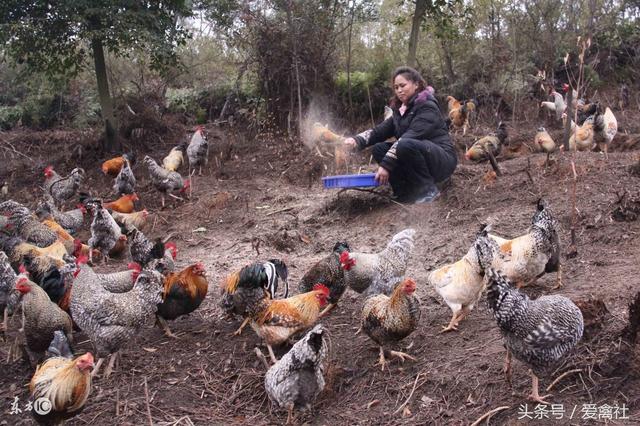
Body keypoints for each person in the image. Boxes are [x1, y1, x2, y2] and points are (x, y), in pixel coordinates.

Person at [344, 66, 457, 203]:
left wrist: (386, 165)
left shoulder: (427, 107)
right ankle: (404, 193)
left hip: (441, 161)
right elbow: (379, 131)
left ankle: (428, 190)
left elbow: (409, 137)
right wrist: (357, 140)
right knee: (379, 149)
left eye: (403, 85)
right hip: (419, 155)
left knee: (404, 144)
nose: (399, 90)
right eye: (396, 87)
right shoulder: (401, 111)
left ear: (416, 84)